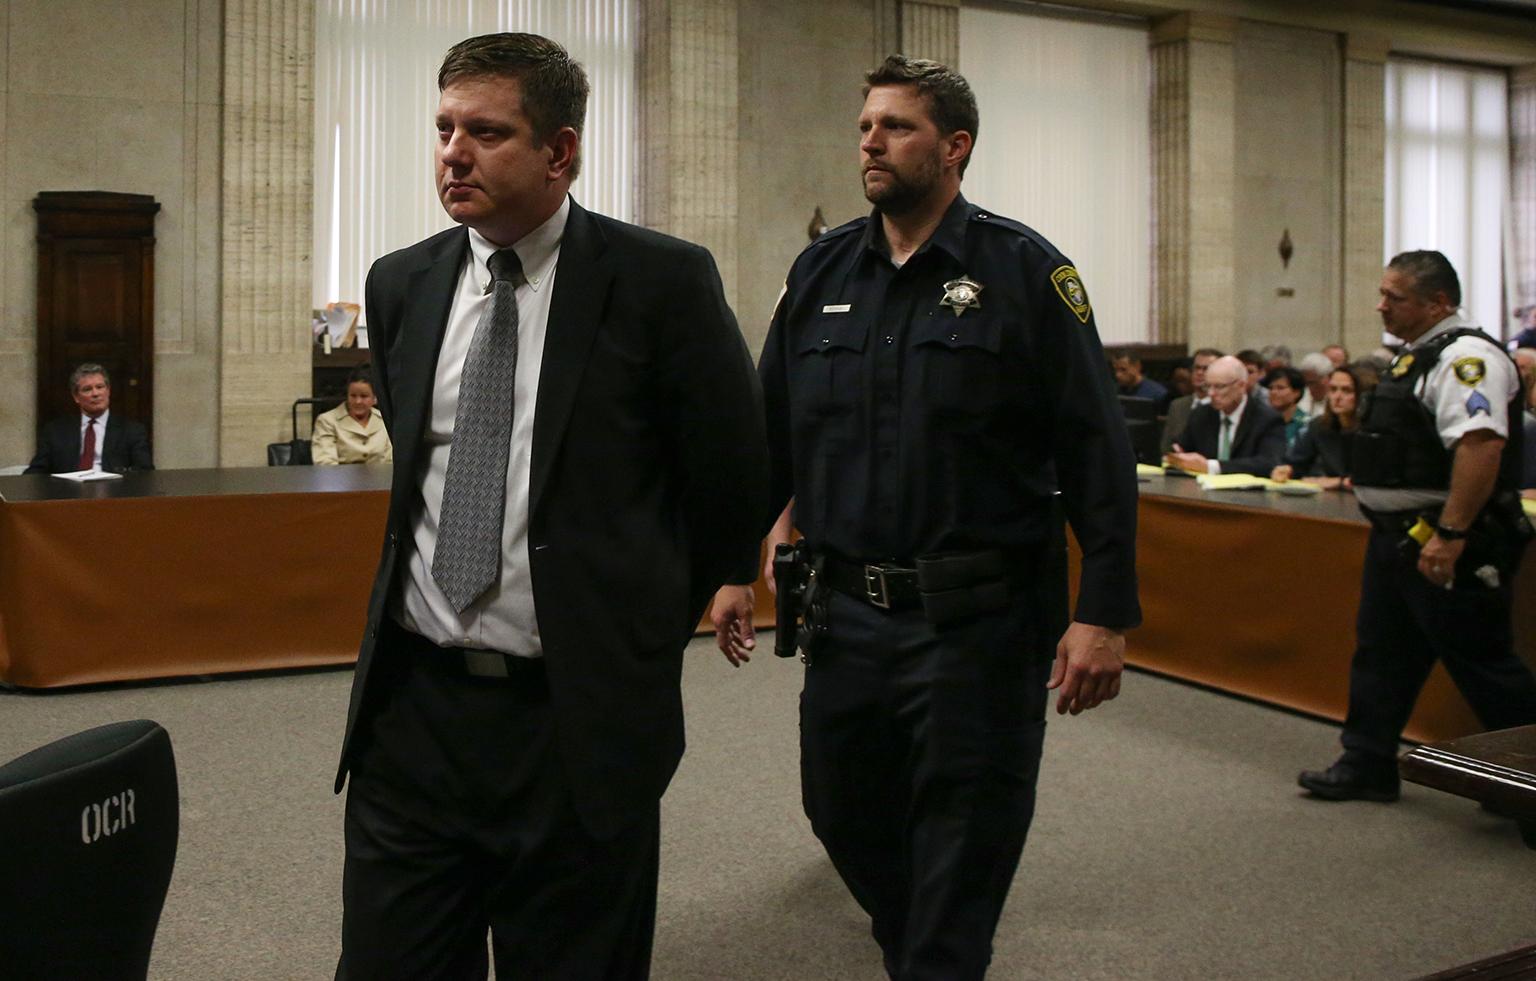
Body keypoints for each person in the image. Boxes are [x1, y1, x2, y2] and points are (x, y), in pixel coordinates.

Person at [332, 33, 767, 980]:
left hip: (571, 725)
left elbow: (732, 475)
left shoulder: (660, 282)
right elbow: (420, 474)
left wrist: (638, 633)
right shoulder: (400, 282)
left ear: (560, 152)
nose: (454, 152)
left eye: (487, 132)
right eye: (445, 128)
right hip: (414, 714)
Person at [710, 56, 1139, 981]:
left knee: (962, 835)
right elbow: (769, 439)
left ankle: (938, 959)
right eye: (866, 124)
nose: (871, 141)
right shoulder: (821, 270)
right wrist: (730, 566)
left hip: (977, 623)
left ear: (955, 148)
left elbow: (1095, 450)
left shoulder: (1027, 271)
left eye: (897, 126)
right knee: (839, 809)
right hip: (846, 616)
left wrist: (1102, 610)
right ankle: (922, 948)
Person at [1298, 251, 1536, 802]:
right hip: (1399, 538)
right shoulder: (1415, 357)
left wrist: (1451, 536)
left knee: (1481, 661)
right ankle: (1367, 762)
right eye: (1383, 293)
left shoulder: (1465, 359)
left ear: (1439, 302)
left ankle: (1527, 782)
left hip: (1448, 536)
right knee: (1383, 652)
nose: (1381, 305)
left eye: (1395, 297)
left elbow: (1481, 447)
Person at [1166, 355, 1286, 476]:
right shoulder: (1201, 414)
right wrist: (1179, 456)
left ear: (1241, 386)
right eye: (1208, 386)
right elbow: (1180, 447)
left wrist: (1212, 466)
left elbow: (1269, 463)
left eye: (1219, 387)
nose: (1211, 393)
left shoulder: (1266, 418)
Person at [25, 363, 153, 474]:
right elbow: (37, 472)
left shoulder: (132, 430)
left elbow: (145, 471)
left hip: (114, 495)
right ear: (76, 397)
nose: (95, 394)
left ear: (108, 391)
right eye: (87, 389)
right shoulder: (55, 431)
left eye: (100, 387)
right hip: (68, 495)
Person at [1270, 364, 1370, 490]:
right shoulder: (1319, 426)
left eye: (1347, 390)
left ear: (1363, 395)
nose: (1337, 397)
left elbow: (1372, 479)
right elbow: (1297, 462)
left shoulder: (1372, 431)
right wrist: (1287, 470)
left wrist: (1339, 482)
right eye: (1333, 389)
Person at [312, 366, 393, 466]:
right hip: (340, 480)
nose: (358, 401)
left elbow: (391, 461)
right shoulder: (326, 421)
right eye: (353, 396)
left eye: (364, 396)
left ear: (375, 398)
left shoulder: (386, 419)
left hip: (381, 479)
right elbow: (324, 463)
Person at [1160, 347, 1222, 455]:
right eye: (1196, 368)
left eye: (1206, 369)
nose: (1199, 373)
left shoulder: (1222, 406)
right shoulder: (1177, 405)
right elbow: (1165, 447)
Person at [1263, 365, 1309, 451]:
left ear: (1296, 392)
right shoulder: (1262, 422)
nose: (1273, 392)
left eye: (1280, 388)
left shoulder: (1307, 424)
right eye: (1271, 388)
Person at [1296, 351, 1334, 417]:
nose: (1310, 388)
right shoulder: (1299, 399)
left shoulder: (1338, 401)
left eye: (1313, 383)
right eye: (1306, 383)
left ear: (1329, 378)